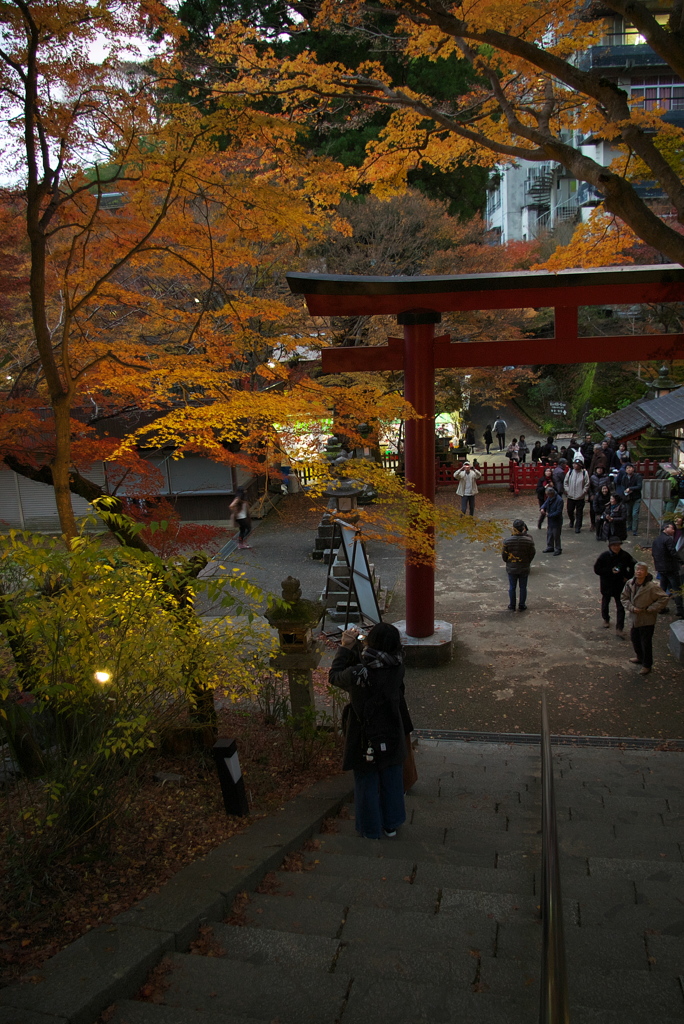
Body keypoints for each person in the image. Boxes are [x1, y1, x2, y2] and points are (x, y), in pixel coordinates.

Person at [329, 623, 409, 839]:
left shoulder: (358, 673)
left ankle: (370, 828)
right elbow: (373, 669)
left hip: (364, 732)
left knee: (366, 780)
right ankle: (391, 824)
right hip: (391, 727)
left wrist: (346, 647)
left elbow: (335, 676)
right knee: (392, 776)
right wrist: (358, 650)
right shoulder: (398, 665)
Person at [621, 563, 669, 675]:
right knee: (635, 639)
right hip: (634, 618)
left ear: (646, 572)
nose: (639, 571)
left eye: (642, 570)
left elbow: (664, 598)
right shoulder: (630, 583)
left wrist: (651, 608)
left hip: (647, 619)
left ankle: (647, 665)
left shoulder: (652, 586)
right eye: (637, 569)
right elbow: (624, 598)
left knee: (646, 643)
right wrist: (631, 608)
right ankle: (639, 657)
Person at [594, 537, 635, 636]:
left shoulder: (625, 555)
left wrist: (628, 576)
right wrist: (609, 571)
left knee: (620, 607)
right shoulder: (604, 556)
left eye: (618, 545)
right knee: (605, 602)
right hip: (607, 584)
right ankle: (606, 619)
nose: (616, 547)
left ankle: (619, 628)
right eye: (614, 546)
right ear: (610, 546)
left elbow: (634, 564)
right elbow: (597, 569)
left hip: (619, 585)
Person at [502, 519, 536, 611]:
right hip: (524, 567)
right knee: (523, 587)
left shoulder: (507, 541)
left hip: (512, 567)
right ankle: (522, 605)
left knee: (512, 587)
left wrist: (508, 562)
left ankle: (512, 605)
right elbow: (532, 554)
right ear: (523, 528)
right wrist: (527, 561)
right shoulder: (529, 541)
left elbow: (504, 556)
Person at [651, 523, 684, 618]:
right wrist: (681, 561)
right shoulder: (668, 539)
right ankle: (680, 610)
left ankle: (661, 607)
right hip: (670, 568)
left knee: (662, 588)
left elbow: (654, 554)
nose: (673, 530)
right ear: (665, 528)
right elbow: (673, 552)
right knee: (676, 589)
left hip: (661, 568)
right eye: (672, 528)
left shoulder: (657, 540)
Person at [564, 458, 590, 533]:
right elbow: (565, 482)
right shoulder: (570, 472)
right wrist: (567, 490)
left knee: (579, 512)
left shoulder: (584, 473)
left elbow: (587, 484)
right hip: (571, 496)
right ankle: (572, 520)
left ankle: (578, 526)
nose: (575, 466)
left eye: (577, 465)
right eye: (574, 464)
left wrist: (583, 492)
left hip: (580, 497)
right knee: (570, 510)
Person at [618, 464, 643, 535]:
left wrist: (631, 488)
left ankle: (635, 529)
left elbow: (639, 486)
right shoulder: (624, 477)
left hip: (636, 497)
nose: (629, 469)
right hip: (627, 498)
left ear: (633, 469)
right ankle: (629, 526)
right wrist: (624, 491)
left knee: (634, 514)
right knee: (628, 513)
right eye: (627, 468)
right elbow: (622, 485)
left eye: (630, 468)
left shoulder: (637, 477)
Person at [539, 485, 563, 555]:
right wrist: (542, 508)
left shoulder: (559, 500)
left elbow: (558, 512)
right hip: (550, 520)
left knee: (556, 535)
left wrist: (548, 515)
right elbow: (545, 504)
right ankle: (550, 547)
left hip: (556, 520)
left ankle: (558, 548)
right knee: (549, 534)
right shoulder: (550, 498)